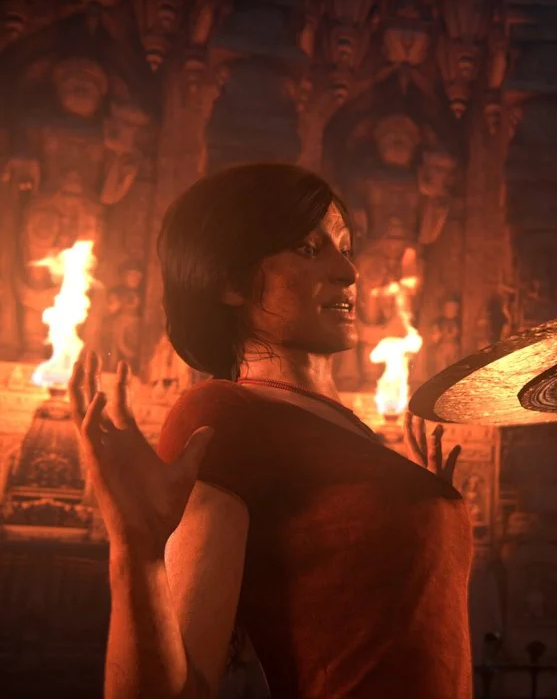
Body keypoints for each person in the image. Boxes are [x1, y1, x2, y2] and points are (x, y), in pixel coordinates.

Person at [70, 163, 473, 698]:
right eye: (309, 249)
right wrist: (137, 550)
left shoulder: (351, 428)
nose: (349, 272)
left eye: (345, 248)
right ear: (230, 281)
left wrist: (412, 500)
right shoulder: (223, 416)